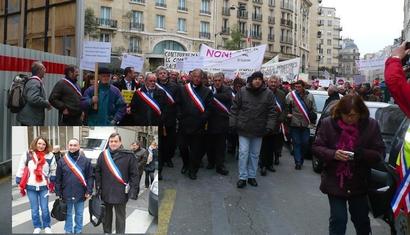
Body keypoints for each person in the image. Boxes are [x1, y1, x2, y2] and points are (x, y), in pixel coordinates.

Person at [312, 95, 385, 235]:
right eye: (346, 115)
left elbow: (379, 153)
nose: (350, 119)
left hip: (359, 181)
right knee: (338, 219)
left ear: (361, 113)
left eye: (353, 115)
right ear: (339, 112)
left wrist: (362, 153)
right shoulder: (328, 123)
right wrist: (333, 154)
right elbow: (316, 147)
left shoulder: (371, 125)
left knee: (361, 219)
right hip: (335, 180)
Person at [229, 71, 277, 188]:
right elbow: (234, 109)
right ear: (251, 80)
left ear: (262, 81)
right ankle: (242, 177)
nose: (257, 81)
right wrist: (233, 123)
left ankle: (251, 176)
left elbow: (272, 111)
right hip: (244, 128)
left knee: (255, 154)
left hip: (259, 129)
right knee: (243, 153)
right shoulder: (242, 91)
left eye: (259, 79)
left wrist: (269, 126)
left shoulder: (268, 94)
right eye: (255, 79)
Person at [95, 133, 139, 234]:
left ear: (120, 142)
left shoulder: (129, 155)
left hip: (121, 192)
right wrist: (98, 187)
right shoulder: (103, 155)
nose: (113, 143)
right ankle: (107, 232)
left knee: (120, 217)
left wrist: (133, 191)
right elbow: (98, 171)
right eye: (111, 141)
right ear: (108, 142)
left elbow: (134, 175)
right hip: (106, 191)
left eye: (116, 141)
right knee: (106, 216)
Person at [15, 137, 56, 234]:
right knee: (34, 209)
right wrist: (19, 181)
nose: (41, 146)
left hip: (44, 187)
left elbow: (53, 169)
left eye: (43, 144)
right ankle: (37, 226)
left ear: (46, 145)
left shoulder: (50, 156)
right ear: (35, 143)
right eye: (39, 143)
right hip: (31, 186)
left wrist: (52, 181)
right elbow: (21, 167)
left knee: (45, 208)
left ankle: (47, 226)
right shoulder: (28, 154)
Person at [177, 68, 213, 180]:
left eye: (199, 77)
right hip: (184, 124)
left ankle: (193, 170)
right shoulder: (183, 89)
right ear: (191, 77)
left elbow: (209, 109)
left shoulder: (207, 91)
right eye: (195, 76)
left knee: (196, 150)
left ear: (202, 78)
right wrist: (180, 117)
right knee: (182, 147)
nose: (197, 78)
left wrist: (201, 121)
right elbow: (178, 104)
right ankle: (186, 164)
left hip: (198, 127)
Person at [55, 139, 93, 234]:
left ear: (79, 146)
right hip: (66, 192)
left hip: (81, 192)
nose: (72, 147)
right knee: (68, 213)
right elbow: (58, 178)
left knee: (79, 214)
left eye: (75, 145)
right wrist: (58, 192)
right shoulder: (62, 161)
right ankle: (68, 230)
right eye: (71, 145)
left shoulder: (86, 161)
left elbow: (90, 177)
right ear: (68, 146)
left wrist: (89, 191)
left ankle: (78, 230)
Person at [286, 80, 316, 170]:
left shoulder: (310, 96)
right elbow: (286, 108)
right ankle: (298, 162)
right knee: (296, 143)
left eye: (299, 87)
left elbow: (313, 109)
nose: (297, 89)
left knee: (305, 144)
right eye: (296, 87)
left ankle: (301, 159)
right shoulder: (291, 95)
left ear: (303, 87)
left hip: (306, 124)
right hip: (294, 123)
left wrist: (313, 117)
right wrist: (288, 114)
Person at [156, 66, 180, 180]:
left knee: (170, 141)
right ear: (157, 75)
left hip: (171, 116)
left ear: (168, 74)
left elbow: (178, 102)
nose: (162, 75)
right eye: (160, 73)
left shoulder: (175, 87)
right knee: (160, 142)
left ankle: (168, 158)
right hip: (158, 117)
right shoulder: (153, 85)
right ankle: (160, 163)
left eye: (164, 73)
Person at [260, 76, 287, 175]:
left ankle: (269, 164)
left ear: (278, 83)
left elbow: (284, 109)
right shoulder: (263, 92)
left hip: (276, 124)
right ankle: (262, 165)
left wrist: (281, 118)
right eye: (271, 82)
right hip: (265, 123)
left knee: (272, 145)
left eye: (275, 82)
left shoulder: (282, 94)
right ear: (268, 82)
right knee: (264, 145)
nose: (273, 84)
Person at [206, 72, 231, 175]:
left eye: (219, 80)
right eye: (215, 80)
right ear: (212, 80)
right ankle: (211, 162)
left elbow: (226, 97)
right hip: (210, 122)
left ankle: (220, 165)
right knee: (210, 144)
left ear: (222, 80)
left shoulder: (227, 89)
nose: (217, 82)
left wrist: (213, 96)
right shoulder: (209, 89)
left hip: (222, 122)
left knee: (221, 146)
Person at [17, 61, 52, 125]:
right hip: (31, 120)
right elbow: (33, 99)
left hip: (31, 118)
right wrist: (46, 103)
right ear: (39, 70)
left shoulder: (34, 81)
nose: (45, 70)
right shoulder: (34, 82)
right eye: (44, 69)